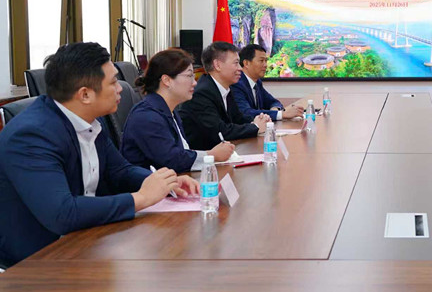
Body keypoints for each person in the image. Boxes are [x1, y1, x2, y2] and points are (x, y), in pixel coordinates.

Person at [0, 43, 199, 268]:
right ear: (85, 94)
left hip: (90, 240)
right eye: (113, 82)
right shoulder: (31, 135)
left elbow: (120, 171)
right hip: (39, 261)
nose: (121, 88)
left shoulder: (91, 120)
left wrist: (164, 182)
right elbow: (62, 213)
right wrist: (141, 198)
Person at [121, 49, 235, 173]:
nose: (194, 83)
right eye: (189, 76)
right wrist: (211, 155)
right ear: (167, 80)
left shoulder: (169, 110)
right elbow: (172, 160)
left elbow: (182, 151)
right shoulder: (147, 116)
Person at [178, 42, 270, 151]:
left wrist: (258, 120)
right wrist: (255, 127)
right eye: (236, 63)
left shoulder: (226, 88)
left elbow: (238, 119)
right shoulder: (202, 93)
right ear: (217, 65)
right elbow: (220, 131)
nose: (240, 68)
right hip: (205, 157)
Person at [231, 44, 303, 121]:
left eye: (266, 61)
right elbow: (245, 113)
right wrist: (281, 114)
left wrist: (275, 109)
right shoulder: (237, 84)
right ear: (246, 63)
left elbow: (273, 102)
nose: (265, 65)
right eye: (261, 61)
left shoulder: (257, 82)